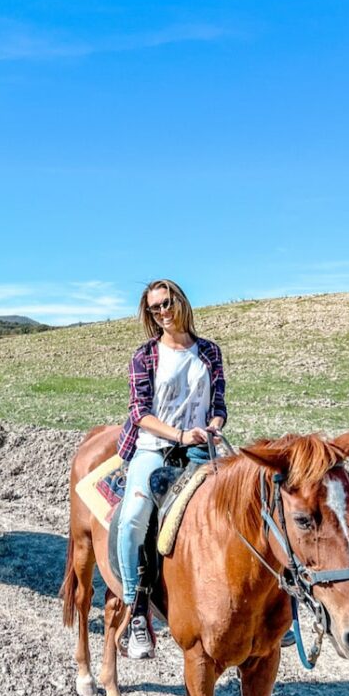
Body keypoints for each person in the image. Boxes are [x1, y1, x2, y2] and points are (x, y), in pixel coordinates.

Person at [116, 279, 227, 660]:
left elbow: (220, 405)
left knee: (245, 507)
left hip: (202, 446)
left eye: (166, 304)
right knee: (133, 518)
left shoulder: (209, 352)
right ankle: (136, 608)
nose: (162, 313)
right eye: (154, 309)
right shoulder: (144, 355)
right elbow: (139, 413)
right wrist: (179, 434)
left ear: (180, 301)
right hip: (155, 447)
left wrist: (213, 426)